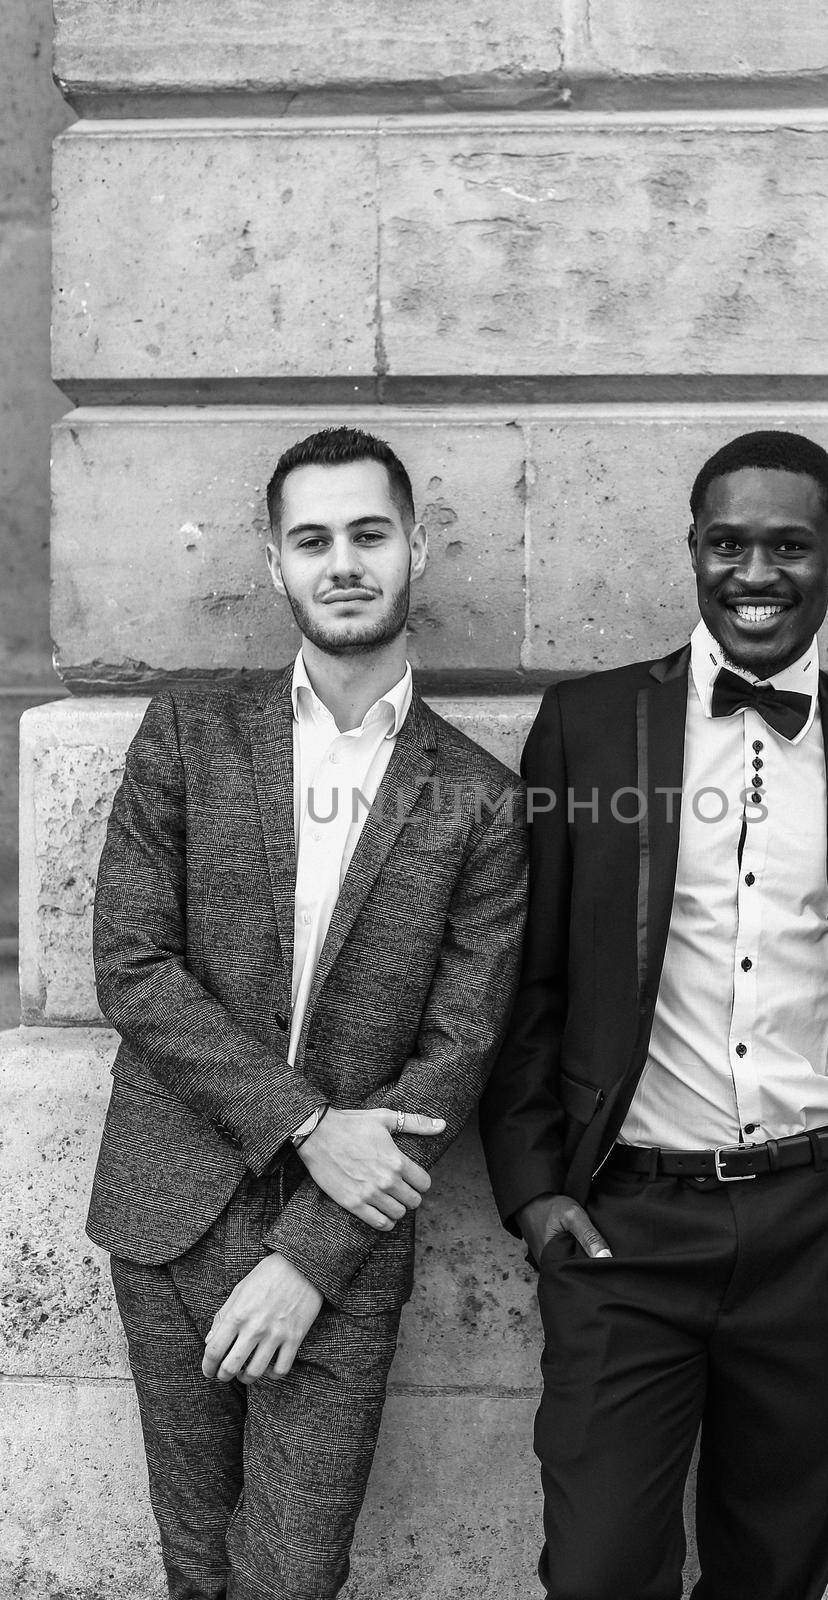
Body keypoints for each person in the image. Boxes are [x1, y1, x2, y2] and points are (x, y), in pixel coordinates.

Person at [480, 429, 828, 1600]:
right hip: (624, 1226)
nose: (755, 572)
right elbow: (526, 983)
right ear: (691, 550)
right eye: (727, 543)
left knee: (773, 1573)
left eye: (787, 545)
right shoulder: (584, 729)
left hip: (823, 1231)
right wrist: (531, 1190)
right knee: (595, 1573)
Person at [87, 425, 527, 1600]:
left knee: (289, 1578)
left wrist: (309, 1260)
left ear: (415, 549)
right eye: (313, 538)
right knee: (195, 1569)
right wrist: (302, 1123)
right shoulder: (188, 731)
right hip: (167, 1210)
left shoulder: (479, 797)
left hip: (345, 1245)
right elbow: (131, 966)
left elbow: (457, 1048)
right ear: (274, 560)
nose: (343, 562)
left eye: (368, 534)